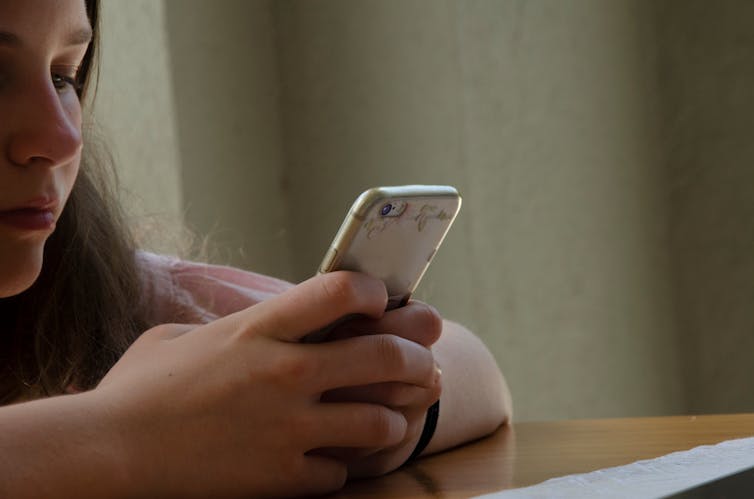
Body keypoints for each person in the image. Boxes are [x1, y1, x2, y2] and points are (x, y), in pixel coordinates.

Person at [0, 0, 512, 497]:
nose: (62, 137)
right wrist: (125, 435)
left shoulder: (113, 294)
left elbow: (475, 371)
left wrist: (371, 421)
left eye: (64, 75)